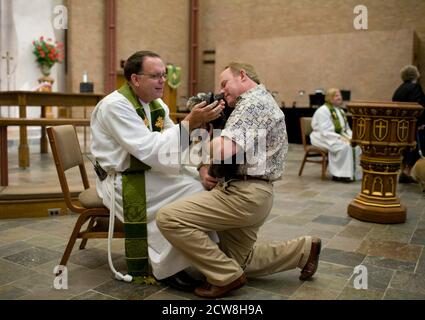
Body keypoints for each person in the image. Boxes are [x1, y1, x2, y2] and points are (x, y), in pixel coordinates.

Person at [157, 62, 321, 299]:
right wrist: (207, 162)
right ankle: (303, 250)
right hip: (254, 192)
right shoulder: (256, 103)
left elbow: (223, 150)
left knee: (169, 218)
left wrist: (205, 136)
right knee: (239, 262)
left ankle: (226, 277)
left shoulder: (253, 104)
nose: (222, 90)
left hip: (242, 195)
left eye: (225, 83)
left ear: (242, 76)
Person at [90, 50, 225, 290]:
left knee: (201, 184)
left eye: (163, 75)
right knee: (193, 194)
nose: (163, 81)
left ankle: (196, 258)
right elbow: (150, 149)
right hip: (123, 179)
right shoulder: (115, 106)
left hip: (149, 170)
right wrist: (190, 122)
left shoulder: (156, 104)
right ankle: (168, 268)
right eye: (156, 76)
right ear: (135, 79)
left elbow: (175, 144)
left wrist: (202, 167)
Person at [310, 88, 361, 182]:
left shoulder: (340, 111)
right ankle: (339, 174)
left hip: (334, 135)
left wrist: (353, 138)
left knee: (356, 145)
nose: (339, 97)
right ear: (330, 97)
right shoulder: (323, 110)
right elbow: (325, 131)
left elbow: (346, 129)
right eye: (336, 95)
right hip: (321, 136)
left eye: (340, 95)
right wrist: (340, 138)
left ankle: (351, 173)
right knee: (343, 146)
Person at [392, 65, 425, 183]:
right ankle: (407, 172)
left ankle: (404, 171)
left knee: (406, 149)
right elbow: (419, 106)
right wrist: (421, 122)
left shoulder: (399, 88)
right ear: (415, 74)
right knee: (414, 148)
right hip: (414, 125)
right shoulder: (415, 87)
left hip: (402, 125)